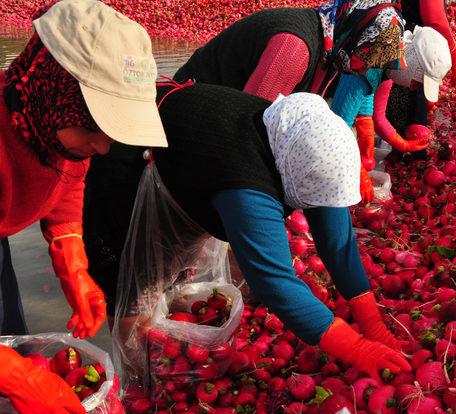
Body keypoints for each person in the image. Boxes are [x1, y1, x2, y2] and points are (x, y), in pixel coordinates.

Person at [84, 86, 412, 383]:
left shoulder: (295, 140)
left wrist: (372, 323)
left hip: (190, 162)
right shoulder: (247, 185)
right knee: (133, 288)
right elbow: (274, 281)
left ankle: (168, 345)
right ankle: (139, 381)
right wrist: (356, 349)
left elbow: (337, 242)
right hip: (130, 168)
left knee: (177, 273)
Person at [0, 0, 167, 414]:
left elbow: (67, 186)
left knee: (11, 338)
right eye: (95, 128)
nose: (104, 147)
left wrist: (73, 263)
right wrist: (15, 377)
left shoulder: (54, 130)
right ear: (52, 86)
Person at [171, 0, 406, 203]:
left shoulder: (331, 54)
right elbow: (245, 133)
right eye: (366, 57)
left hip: (222, 124)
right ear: (357, 35)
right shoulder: (295, 49)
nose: (365, 68)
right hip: (188, 119)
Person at [331, 25, 451, 171]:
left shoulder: (386, 68)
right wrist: (357, 171)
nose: (413, 88)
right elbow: (336, 129)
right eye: (418, 82)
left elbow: (377, 116)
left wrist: (403, 144)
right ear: (412, 64)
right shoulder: (367, 65)